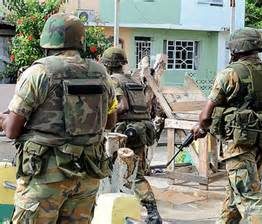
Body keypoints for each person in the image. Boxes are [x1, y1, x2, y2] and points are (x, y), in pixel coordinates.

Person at [0, 13, 117, 223]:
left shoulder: (39, 73)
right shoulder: (102, 73)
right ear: (80, 40)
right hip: (87, 174)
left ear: (47, 41)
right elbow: (110, 122)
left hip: (46, 177)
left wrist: (2, 120)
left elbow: (11, 130)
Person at [192, 28, 262, 223]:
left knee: (249, 198)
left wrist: (201, 128)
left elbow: (205, 115)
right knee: (235, 195)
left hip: (239, 147)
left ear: (235, 50)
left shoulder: (229, 74)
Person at [101, 47, 162, 224]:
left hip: (125, 133)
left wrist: (102, 116)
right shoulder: (133, 80)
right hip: (140, 131)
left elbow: (122, 106)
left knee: (130, 175)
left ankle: (151, 213)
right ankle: (132, 208)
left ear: (107, 65)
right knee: (133, 172)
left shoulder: (113, 80)